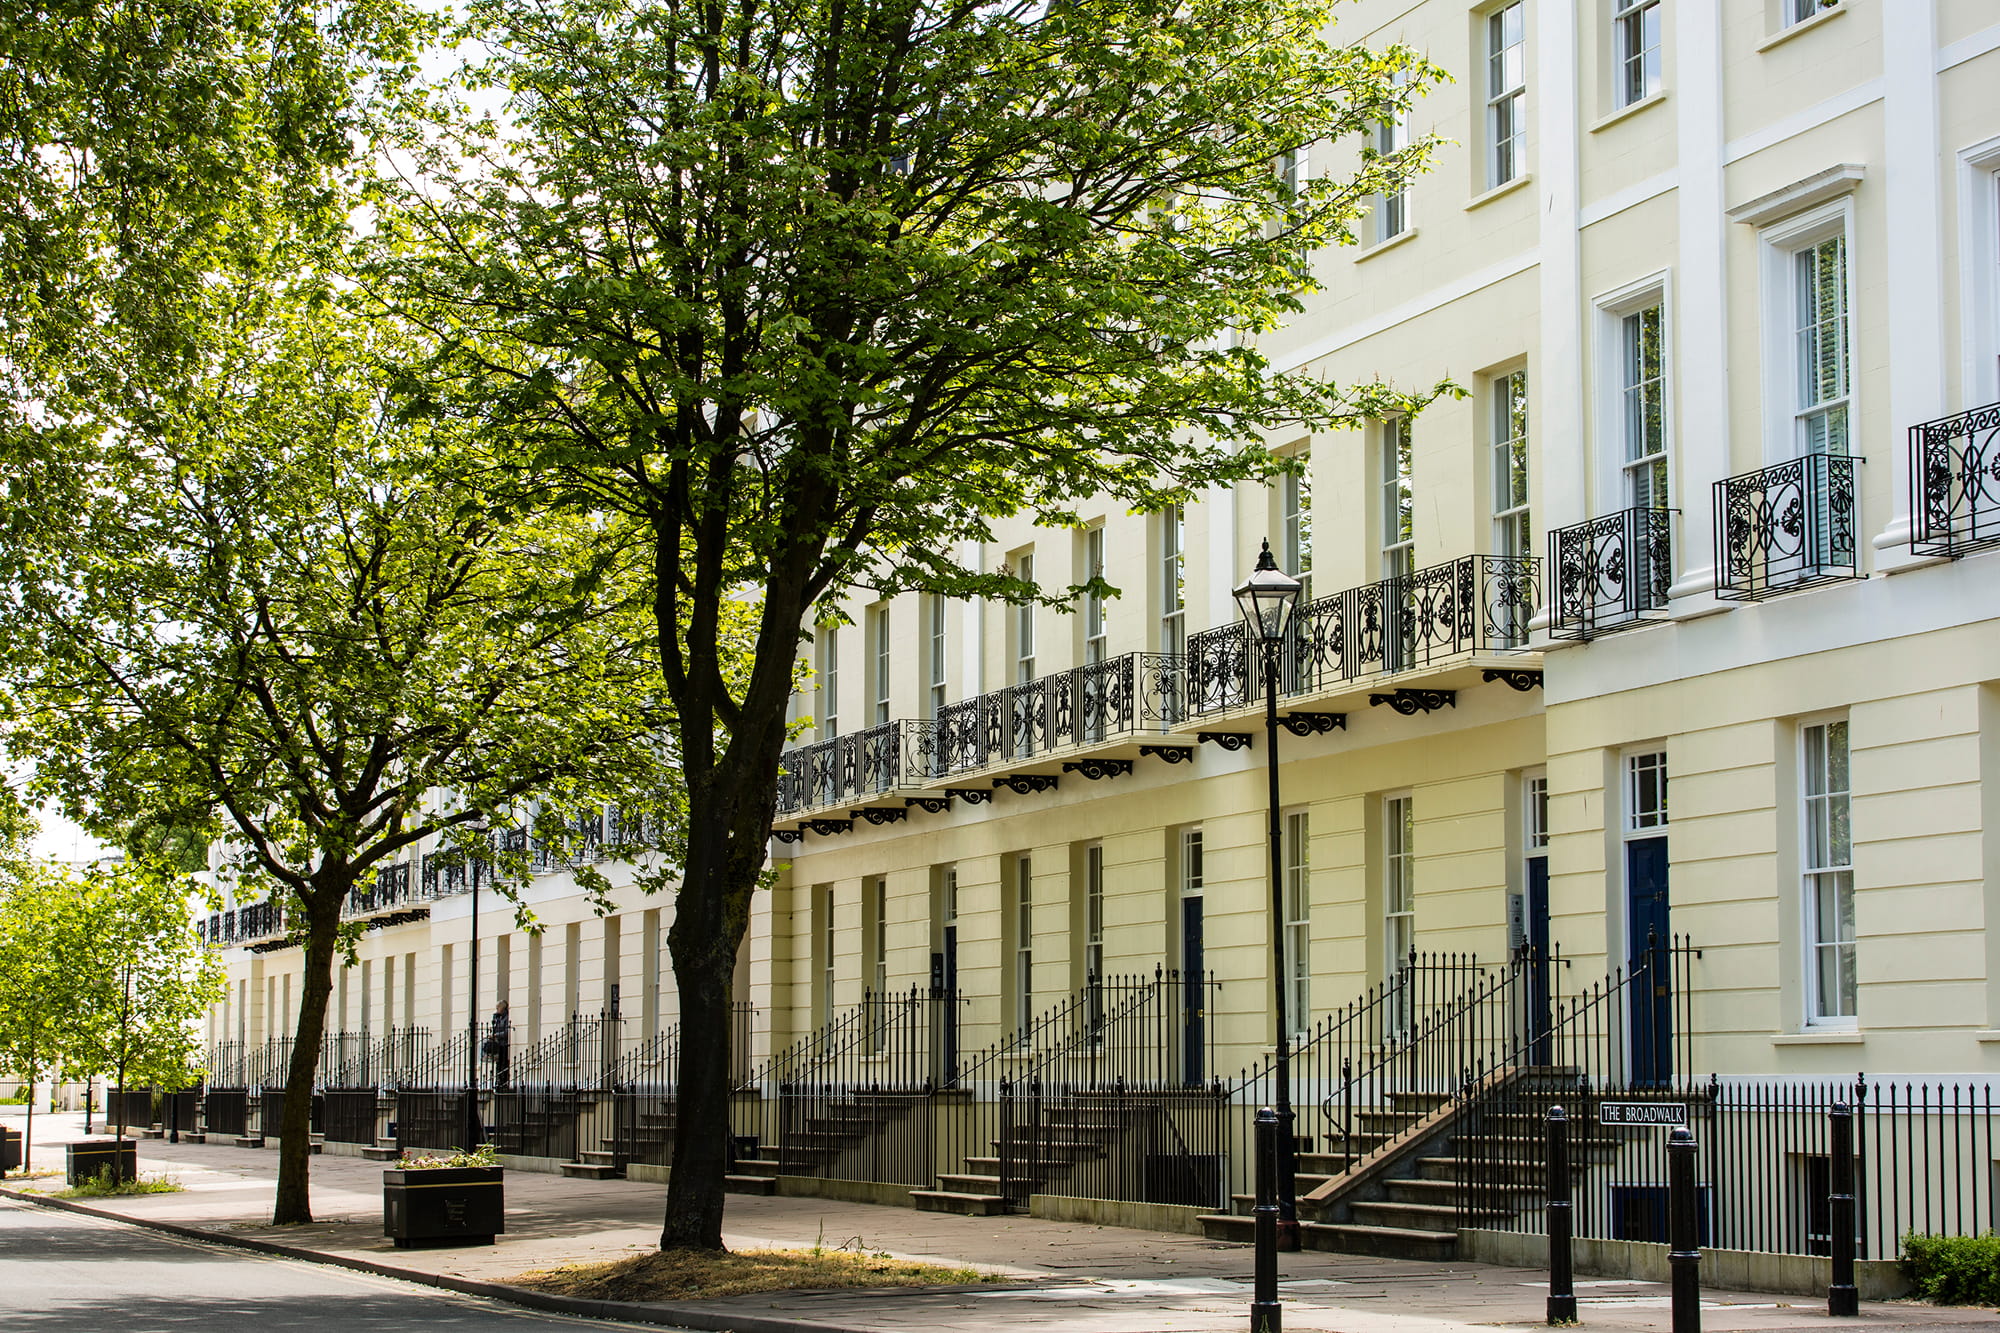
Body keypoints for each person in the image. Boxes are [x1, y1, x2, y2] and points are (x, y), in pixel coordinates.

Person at [485, 998, 511, 1090]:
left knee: (503, 1063)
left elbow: (506, 1032)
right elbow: (495, 1028)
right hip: (497, 1044)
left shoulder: (507, 1018)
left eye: (498, 1008)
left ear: (502, 1008)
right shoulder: (498, 1018)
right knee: (497, 1063)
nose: (496, 1010)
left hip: (503, 1044)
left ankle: (503, 1082)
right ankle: (498, 1080)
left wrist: (496, 1035)